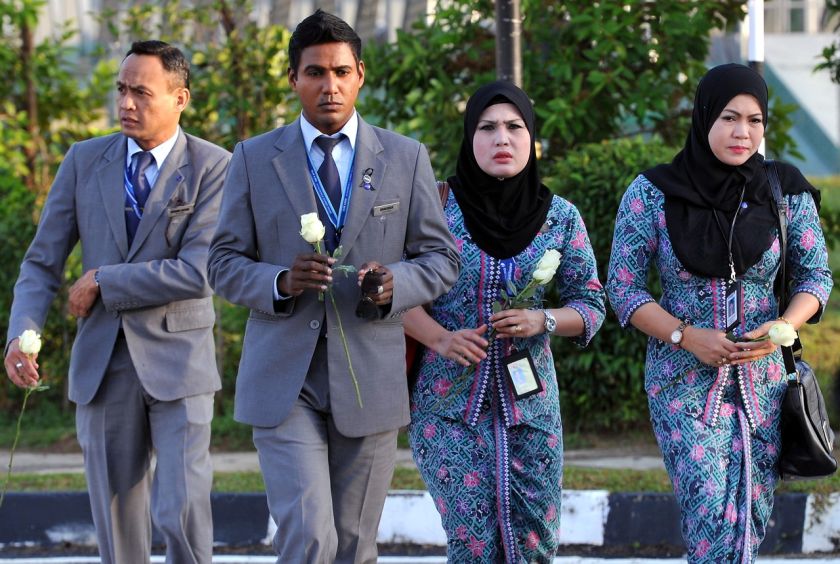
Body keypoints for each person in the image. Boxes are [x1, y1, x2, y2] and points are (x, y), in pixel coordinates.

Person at [207, 9, 459, 564]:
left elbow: (442, 258)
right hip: (283, 380)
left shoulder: (405, 156)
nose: (330, 85)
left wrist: (396, 283)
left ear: (360, 74)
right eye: (316, 72)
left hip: (369, 377)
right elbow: (222, 262)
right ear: (294, 79)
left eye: (341, 71)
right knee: (308, 537)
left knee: (352, 546)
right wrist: (277, 279)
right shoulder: (252, 158)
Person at [3, 41, 230, 563]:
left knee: (182, 509)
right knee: (118, 528)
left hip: (180, 363)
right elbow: (41, 263)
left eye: (141, 93)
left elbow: (199, 270)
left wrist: (106, 278)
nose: (126, 103)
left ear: (180, 99)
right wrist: (22, 332)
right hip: (103, 365)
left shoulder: (215, 168)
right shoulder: (84, 160)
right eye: (121, 90)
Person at [606, 63, 832, 562]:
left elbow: (816, 279)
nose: (742, 132)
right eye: (729, 117)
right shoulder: (653, 193)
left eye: (755, 120)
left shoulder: (784, 190)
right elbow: (622, 288)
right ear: (704, 116)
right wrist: (687, 337)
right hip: (682, 382)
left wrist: (782, 330)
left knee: (751, 520)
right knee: (709, 518)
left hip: (765, 380)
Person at [404, 81, 606, 563]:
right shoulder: (433, 207)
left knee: (534, 545)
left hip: (533, 409)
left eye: (514, 127)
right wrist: (442, 339)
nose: (502, 139)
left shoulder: (560, 217)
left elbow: (592, 305)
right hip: (446, 406)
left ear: (531, 139)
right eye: (487, 128)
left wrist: (544, 320)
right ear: (469, 139)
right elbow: (394, 294)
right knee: (474, 544)